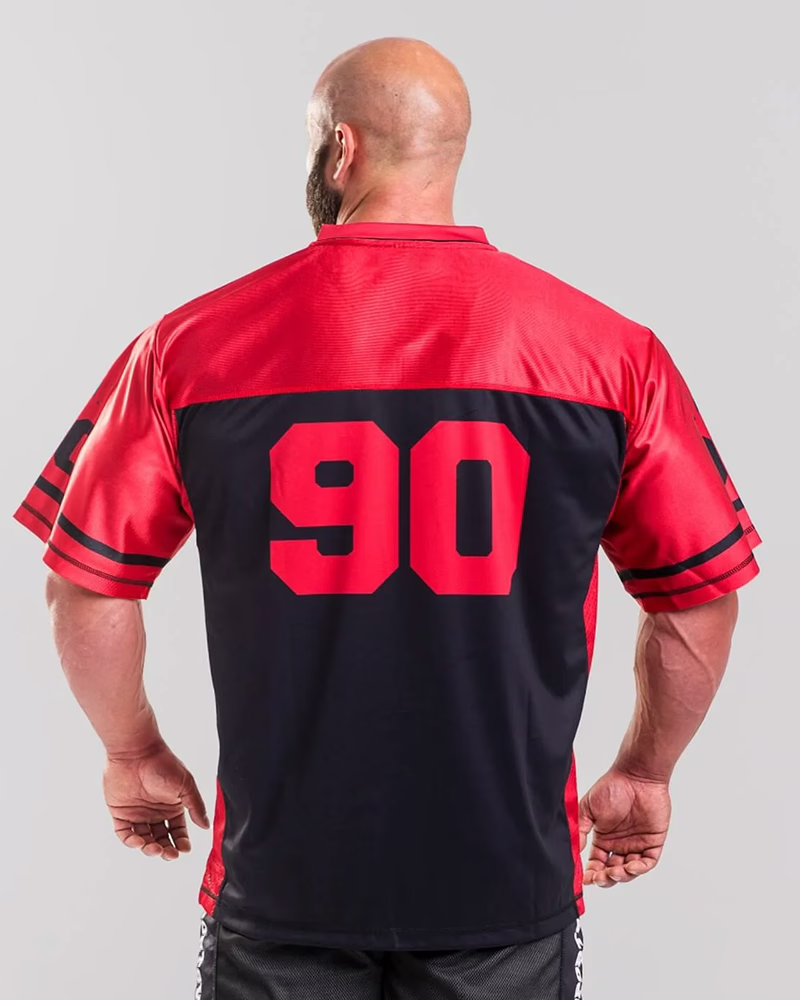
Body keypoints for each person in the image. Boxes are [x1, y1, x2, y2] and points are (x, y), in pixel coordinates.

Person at [15, 36, 761, 1000]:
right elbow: (698, 597)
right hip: (506, 882)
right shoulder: (613, 355)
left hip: (282, 882)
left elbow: (87, 584)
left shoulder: (187, 348)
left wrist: (132, 753)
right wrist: (646, 771)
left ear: (341, 150)